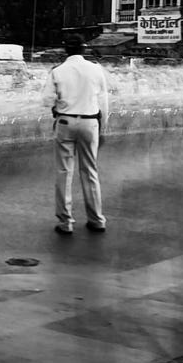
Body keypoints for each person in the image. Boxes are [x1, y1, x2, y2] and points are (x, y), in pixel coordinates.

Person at [40, 35, 110, 235]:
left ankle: (65, 222)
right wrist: (102, 127)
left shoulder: (57, 71)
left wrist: (57, 104)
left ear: (65, 50)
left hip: (65, 122)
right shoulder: (96, 70)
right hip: (90, 123)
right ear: (84, 48)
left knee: (64, 172)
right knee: (90, 171)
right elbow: (103, 102)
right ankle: (96, 219)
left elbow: (46, 100)